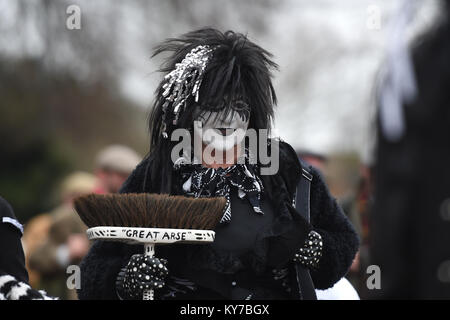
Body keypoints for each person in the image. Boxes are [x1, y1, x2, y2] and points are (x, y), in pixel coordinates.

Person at [78, 28, 359, 300]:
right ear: (188, 110)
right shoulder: (157, 173)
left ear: (253, 113)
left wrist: (318, 249)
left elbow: (343, 240)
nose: (227, 120)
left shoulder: (287, 173)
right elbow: (96, 266)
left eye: (238, 105)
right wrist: (123, 281)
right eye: (214, 105)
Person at [28, 171, 97, 299]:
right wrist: (66, 252)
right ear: (66, 197)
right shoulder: (47, 223)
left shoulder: (96, 225)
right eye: (76, 197)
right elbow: (32, 260)